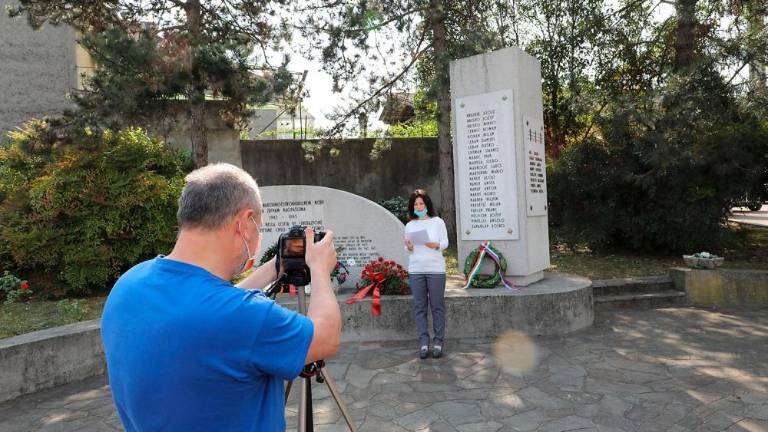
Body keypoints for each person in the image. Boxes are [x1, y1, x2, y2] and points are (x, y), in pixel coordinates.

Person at [101, 163, 341, 432]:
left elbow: (206, 310)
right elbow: (326, 337)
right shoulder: (245, 317)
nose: (258, 235)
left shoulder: (129, 284)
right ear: (244, 222)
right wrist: (319, 268)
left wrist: (273, 268)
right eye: (258, 227)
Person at [403, 189, 449, 359]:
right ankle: (424, 343)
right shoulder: (410, 225)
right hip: (416, 270)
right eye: (416, 204)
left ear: (427, 204)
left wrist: (435, 245)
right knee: (419, 308)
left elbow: (445, 242)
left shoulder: (438, 222)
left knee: (437, 307)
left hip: (435, 270)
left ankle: (438, 342)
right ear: (412, 206)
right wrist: (408, 246)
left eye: (421, 203)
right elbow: (407, 248)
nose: (419, 206)